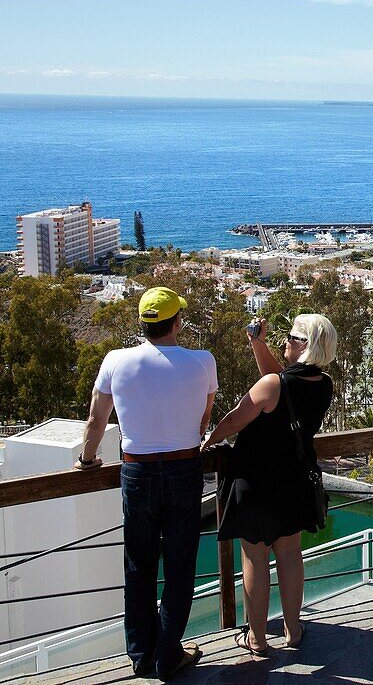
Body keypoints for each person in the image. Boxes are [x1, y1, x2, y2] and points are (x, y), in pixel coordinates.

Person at [76, 287, 216, 680]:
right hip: (184, 469)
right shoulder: (203, 362)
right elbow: (202, 423)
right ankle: (169, 653)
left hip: (135, 472)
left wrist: (87, 460)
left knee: (138, 565)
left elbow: (96, 420)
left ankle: (140, 654)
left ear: (142, 324)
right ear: (177, 322)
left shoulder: (114, 362)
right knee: (180, 565)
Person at [201, 313, 337, 655]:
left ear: (305, 345)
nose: (286, 342)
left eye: (291, 338)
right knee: (290, 556)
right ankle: (293, 630)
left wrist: (205, 441)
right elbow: (279, 384)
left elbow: (236, 418)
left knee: (254, 560)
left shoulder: (273, 386)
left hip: (256, 483)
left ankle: (257, 638)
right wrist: (256, 344)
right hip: (293, 483)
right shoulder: (324, 383)